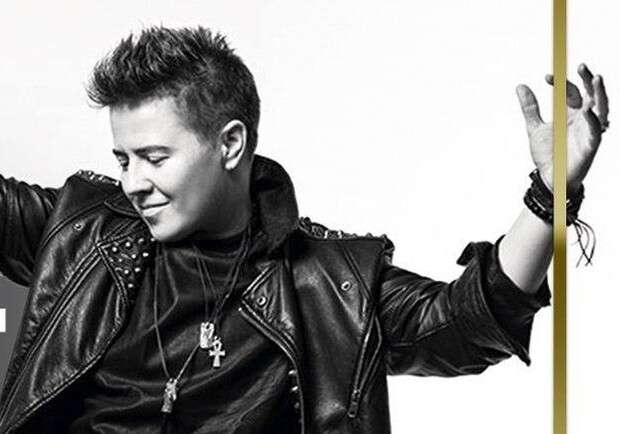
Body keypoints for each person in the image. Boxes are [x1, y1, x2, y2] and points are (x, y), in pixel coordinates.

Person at [0, 26, 608, 434]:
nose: (133, 182)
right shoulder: (83, 229)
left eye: (155, 158)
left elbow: (467, 324)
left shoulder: (328, 285)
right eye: (123, 160)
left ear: (229, 144)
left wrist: (549, 195)